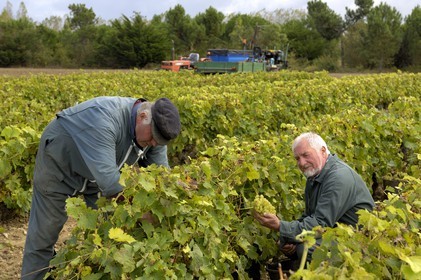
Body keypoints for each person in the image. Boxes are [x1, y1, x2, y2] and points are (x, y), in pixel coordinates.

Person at [21, 96, 181, 279]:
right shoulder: (104, 120)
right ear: (142, 116)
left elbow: (161, 175)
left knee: (108, 232)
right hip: (59, 164)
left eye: (159, 142)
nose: (154, 144)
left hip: (96, 176)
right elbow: (111, 185)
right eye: (153, 137)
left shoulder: (154, 132)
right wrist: (142, 214)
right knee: (44, 233)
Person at [254, 132, 375, 270]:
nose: (301, 163)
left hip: (359, 240)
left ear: (323, 151)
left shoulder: (338, 178)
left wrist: (281, 226)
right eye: (297, 158)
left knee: (308, 248)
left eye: (306, 155)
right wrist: (287, 238)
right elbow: (310, 216)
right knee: (295, 243)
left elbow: (319, 224)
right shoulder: (315, 176)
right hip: (336, 233)